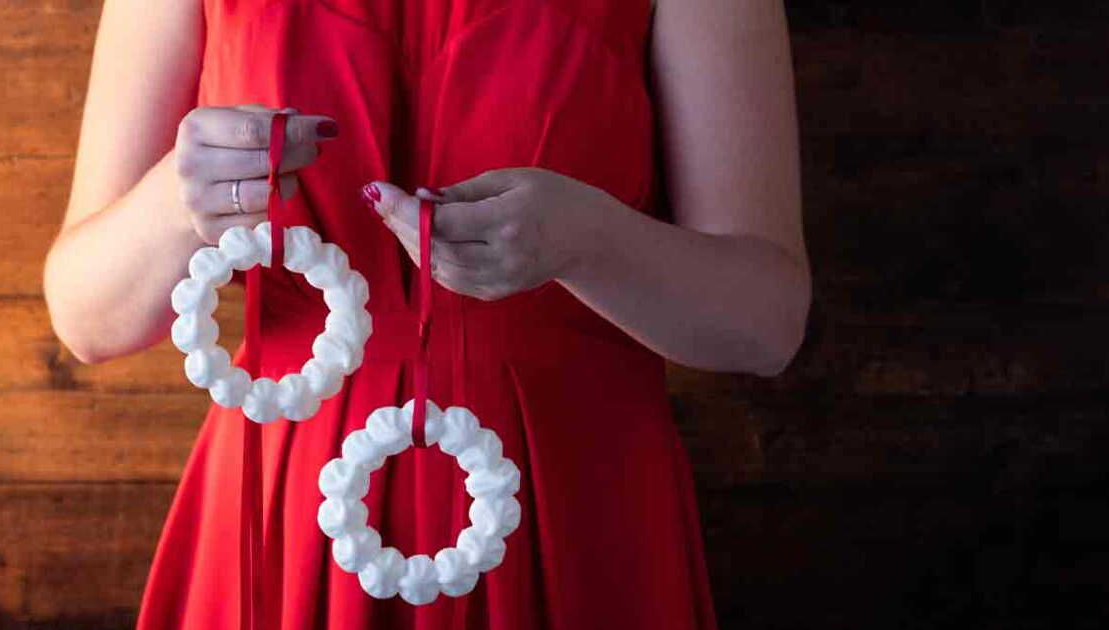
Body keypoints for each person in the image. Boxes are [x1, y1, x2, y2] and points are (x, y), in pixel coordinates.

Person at [42, 0, 811, 627]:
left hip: (577, 503)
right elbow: (88, 319)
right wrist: (177, 201)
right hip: (284, 501)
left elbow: (768, 325)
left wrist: (589, 241)